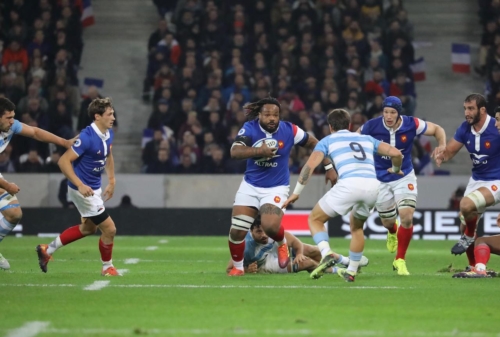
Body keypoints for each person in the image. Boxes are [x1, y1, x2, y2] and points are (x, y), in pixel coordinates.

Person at [283, 109, 404, 282]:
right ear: (349, 125)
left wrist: (296, 193)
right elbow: (396, 153)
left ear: (330, 127)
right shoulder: (366, 139)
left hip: (349, 184)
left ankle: (326, 253)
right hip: (372, 187)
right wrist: (396, 170)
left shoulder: (327, 141)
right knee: (357, 228)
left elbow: (309, 167)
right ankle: (351, 271)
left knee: (315, 219)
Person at [227, 96, 336, 276]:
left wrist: (328, 166)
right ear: (259, 115)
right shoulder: (249, 128)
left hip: (276, 187)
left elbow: (316, 143)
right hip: (250, 185)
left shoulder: (290, 130)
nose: (272, 118)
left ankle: (281, 243)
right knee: (237, 232)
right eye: (267, 114)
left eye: (275, 115)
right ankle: (238, 268)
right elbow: (235, 151)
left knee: (269, 226)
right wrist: (258, 151)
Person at [357, 96, 446, 275]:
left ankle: (400, 260)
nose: (388, 116)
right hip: (380, 178)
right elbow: (354, 140)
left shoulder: (412, 124)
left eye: (392, 113)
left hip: (404, 176)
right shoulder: (371, 126)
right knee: (388, 222)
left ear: (399, 114)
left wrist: (442, 146)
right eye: (386, 112)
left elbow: (437, 129)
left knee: (406, 216)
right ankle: (392, 231)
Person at [36, 98, 121, 276]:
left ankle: (47, 250)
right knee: (110, 229)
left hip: (94, 187)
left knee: (88, 228)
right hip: (82, 190)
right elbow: (63, 161)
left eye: (113, 113)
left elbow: (108, 154)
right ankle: (107, 267)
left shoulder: (108, 132)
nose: (113, 117)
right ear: (97, 116)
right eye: (109, 114)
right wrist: (80, 185)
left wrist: (112, 181)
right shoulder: (86, 137)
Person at [0, 97, 74, 270]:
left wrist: (64, 142)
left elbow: (35, 132)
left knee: (14, 213)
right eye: (8, 118)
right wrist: (7, 185)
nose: (12, 121)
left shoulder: (11, 126)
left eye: (13, 117)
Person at [435, 95, 500, 269]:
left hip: (496, 180)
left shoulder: (497, 126)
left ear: (483, 110)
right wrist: (442, 154)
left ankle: (470, 235)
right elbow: (449, 152)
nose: (467, 113)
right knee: (463, 223)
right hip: (477, 180)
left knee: (465, 204)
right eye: (465, 108)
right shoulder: (465, 128)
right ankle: (474, 266)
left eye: (471, 108)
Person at [225, 215, 369, 274]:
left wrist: (299, 253)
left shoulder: (272, 231)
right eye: (258, 232)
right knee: (307, 263)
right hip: (265, 263)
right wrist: (246, 268)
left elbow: (296, 243)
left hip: (276, 249)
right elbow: (228, 268)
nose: (263, 235)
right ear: (251, 231)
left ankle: (349, 263)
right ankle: (339, 271)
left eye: (264, 231)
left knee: (313, 251)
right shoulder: (246, 245)